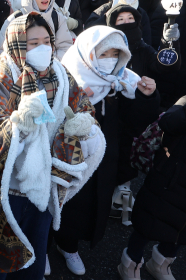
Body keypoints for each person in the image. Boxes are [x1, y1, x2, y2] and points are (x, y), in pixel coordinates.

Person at [0, 12, 105, 279]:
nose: (42, 49)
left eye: (47, 41)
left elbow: (82, 108)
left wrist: (83, 125)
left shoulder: (61, 75)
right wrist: (16, 127)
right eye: (32, 43)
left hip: (43, 186)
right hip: (4, 192)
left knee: (32, 257)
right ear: (16, 42)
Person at [57, 26, 160, 276]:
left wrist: (147, 97)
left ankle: (70, 245)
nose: (110, 60)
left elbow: (134, 123)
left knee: (92, 204)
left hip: (105, 161)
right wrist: (76, 103)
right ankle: (58, 243)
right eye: (103, 54)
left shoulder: (121, 82)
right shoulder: (65, 78)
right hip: (69, 158)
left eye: (116, 54)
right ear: (87, 54)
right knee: (65, 200)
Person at [117, 96, 185, 280]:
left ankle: (161, 262)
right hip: (171, 174)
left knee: (181, 229)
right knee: (149, 220)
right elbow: (168, 121)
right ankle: (130, 262)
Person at [0, 0, 74, 60]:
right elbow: (3, 51)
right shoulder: (15, 19)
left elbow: (65, 47)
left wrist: (49, 65)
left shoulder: (57, 18)